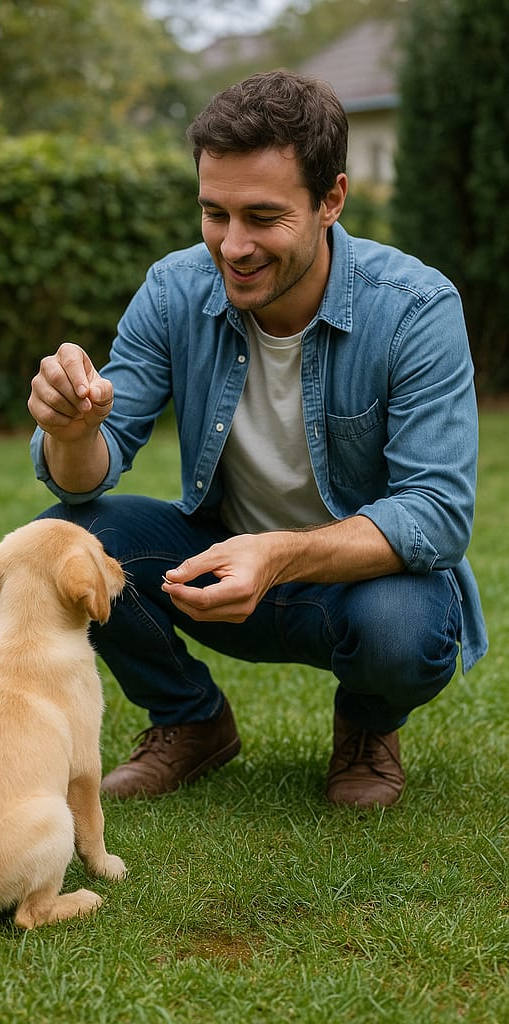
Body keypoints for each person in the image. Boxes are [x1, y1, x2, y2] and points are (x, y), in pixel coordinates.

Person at [27, 70, 487, 808]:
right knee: (62, 544)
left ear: (331, 200)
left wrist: (276, 554)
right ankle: (190, 721)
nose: (233, 246)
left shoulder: (414, 308)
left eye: (263, 217)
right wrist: (73, 432)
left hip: (361, 589)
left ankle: (367, 727)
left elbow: (436, 514)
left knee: (404, 627)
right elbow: (85, 475)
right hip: (217, 568)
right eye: (214, 213)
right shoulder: (174, 290)